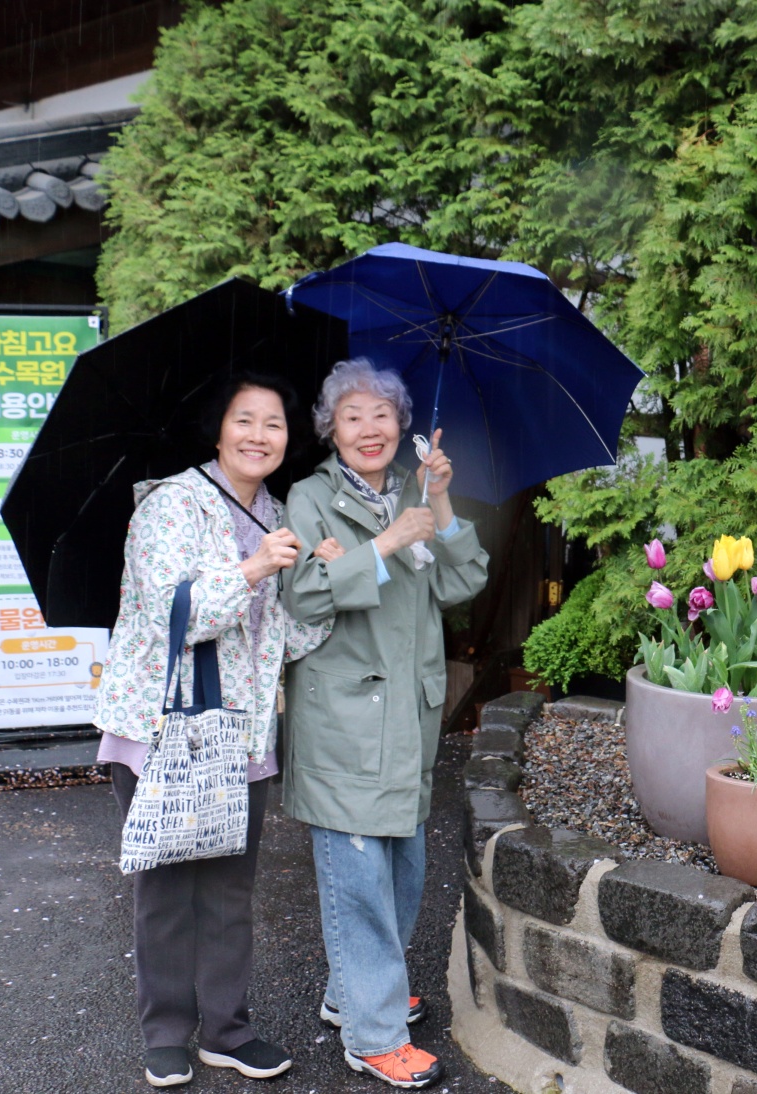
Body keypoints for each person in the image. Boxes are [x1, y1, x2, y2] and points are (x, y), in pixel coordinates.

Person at [94, 374, 334, 1088]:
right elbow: (175, 615)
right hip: (162, 728)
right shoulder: (171, 504)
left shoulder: (278, 512)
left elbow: (282, 638)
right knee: (168, 889)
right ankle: (166, 1032)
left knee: (230, 892)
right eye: (244, 420)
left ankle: (227, 1030)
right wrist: (255, 567)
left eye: (274, 423)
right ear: (218, 429)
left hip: (242, 733)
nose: (259, 436)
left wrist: (325, 584)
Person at [280, 358, 488, 1090]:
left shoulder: (414, 488)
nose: (369, 429)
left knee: (402, 868)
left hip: (409, 717)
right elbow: (303, 595)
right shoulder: (309, 497)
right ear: (331, 429)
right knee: (359, 874)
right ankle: (373, 1035)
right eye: (352, 416)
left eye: (382, 415)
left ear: (402, 424)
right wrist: (388, 543)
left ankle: (354, 994)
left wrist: (442, 500)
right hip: (344, 719)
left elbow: (464, 581)